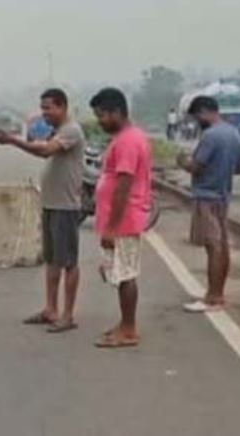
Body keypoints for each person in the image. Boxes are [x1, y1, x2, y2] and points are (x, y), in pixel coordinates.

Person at [0, 89, 86, 333]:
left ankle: (68, 315)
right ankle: (51, 309)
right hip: (51, 204)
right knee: (52, 260)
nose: (44, 113)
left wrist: (11, 140)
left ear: (62, 107)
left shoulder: (71, 130)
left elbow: (45, 151)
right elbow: (44, 150)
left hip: (65, 206)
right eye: (42, 108)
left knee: (69, 262)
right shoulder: (59, 131)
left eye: (48, 108)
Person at [89, 88, 153, 348]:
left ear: (116, 112)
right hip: (120, 221)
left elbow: (123, 185)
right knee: (119, 272)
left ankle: (129, 329)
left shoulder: (128, 141)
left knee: (126, 274)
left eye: (102, 116)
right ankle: (125, 322)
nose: (100, 121)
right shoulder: (126, 138)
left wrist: (112, 228)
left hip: (124, 221)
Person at [177, 96, 240, 313]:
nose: (197, 122)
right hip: (223, 196)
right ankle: (218, 293)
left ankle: (213, 297)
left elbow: (196, 166)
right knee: (221, 245)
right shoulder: (233, 133)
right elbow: (239, 168)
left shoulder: (210, 136)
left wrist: (182, 161)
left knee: (213, 247)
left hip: (206, 196)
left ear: (204, 112)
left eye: (197, 117)